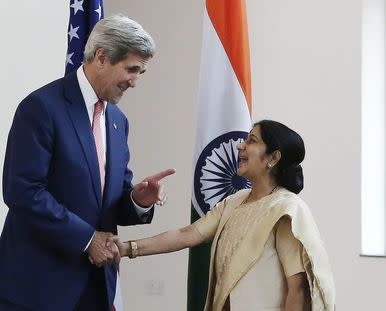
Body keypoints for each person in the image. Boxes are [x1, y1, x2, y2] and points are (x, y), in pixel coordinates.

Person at [0, 14, 175, 311]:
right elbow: (22, 191)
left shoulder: (117, 120)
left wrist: (138, 199)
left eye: (141, 72)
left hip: (96, 288)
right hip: (37, 288)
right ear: (101, 57)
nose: (135, 81)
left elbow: (108, 202)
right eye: (132, 69)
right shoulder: (41, 108)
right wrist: (87, 239)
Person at [111, 120, 335, 311]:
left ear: (273, 158)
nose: (241, 146)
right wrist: (127, 248)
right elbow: (186, 234)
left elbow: (298, 287)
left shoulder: (287, 209)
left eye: (252, 141)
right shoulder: (235, 201)